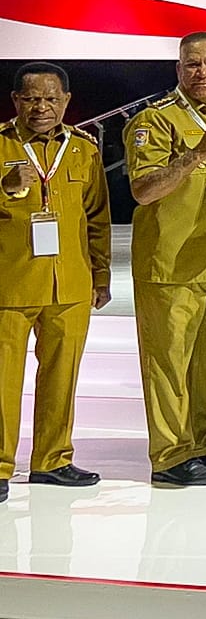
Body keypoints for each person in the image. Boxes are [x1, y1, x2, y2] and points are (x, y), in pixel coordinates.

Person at [125, 32, 206, 487]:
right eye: (193, 64)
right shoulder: (154, 119)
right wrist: (196, 155)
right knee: (169, 366)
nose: (203, 72)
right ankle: (170, 455)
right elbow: (143, 191)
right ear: (178, 69)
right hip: (171, 264)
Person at [0, 63, 111, 503]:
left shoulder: (83, 149)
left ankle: (52, 460)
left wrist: (100, 274)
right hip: (9, 284)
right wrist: (4, 186)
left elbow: (97, 217)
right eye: (31, 99)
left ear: (66, 101)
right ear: (16, 101)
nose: (41, 107)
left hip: (70, 285)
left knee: (62, 377)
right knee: (3, 382)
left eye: (50, 99)